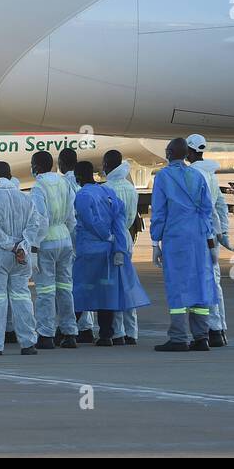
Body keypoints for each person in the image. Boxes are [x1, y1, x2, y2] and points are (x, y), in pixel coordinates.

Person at [71, 161, 150, 346]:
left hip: (90, 252)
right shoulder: (107, 192)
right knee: (105, 292)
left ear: (78, 177)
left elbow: (89, 221)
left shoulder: (82, 195)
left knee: (82, 289)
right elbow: (119, 220)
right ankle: (107, 334)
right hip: (108, 252)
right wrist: (118, 246)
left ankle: (68, 330)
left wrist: (105, 235)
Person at [151, 138, 218, 352]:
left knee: (177, 286)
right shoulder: (197, 176)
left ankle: (179, 337)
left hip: (176, 238)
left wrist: (155, 242)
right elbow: (207, 210)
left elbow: (160, 212)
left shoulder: (163, 176)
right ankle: (202, 337)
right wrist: (210, 242)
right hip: (198, 237)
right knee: (200, 284)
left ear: (169, 153)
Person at [0, 161, 42, 356]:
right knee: (22, 297)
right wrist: (22, 246)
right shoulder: (26, 198)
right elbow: (35, 224)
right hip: (21, 256)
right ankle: (28, 343)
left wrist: (10, 245)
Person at [29, 150, 79, 349]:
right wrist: (71, 241)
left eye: (33, 164)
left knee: (46, 291)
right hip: (64, 239)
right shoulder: (64, 183)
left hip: (47, 241)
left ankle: (46, 334)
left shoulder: (38, 187)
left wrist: (34, 245)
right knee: (66, 288)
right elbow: (71, 216)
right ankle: (70, 332)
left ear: (38, 167)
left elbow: (40, 220)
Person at [185, 135, 230, 347]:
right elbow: (221, 205)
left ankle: (210, 331)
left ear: (189, 151)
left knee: (201, 284)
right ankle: (219, 330)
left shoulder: (192, 174)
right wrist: (223, 234)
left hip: (199, 235)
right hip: (212, 235)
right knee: (214, 282)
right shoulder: (210, 174)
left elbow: (203, 208)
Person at [103, 150, 141, 344]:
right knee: (128, 284)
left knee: (113, 286)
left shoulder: (108, 188)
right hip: (126, 237)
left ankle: (117, 333)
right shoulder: (130, 187)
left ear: (108, 166)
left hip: (112, 239)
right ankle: (132, 332)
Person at [59, 147, 96, 343]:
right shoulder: (85, 184)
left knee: (69, 286)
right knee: (85, 285)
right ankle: (87, 328)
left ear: (62, 164)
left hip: (69, 239)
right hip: (88, 239)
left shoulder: (63, 183)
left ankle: (69, 326)